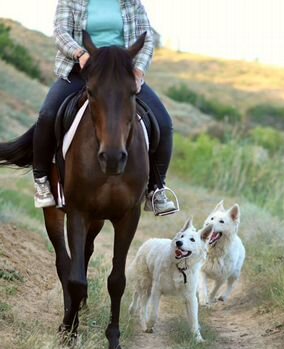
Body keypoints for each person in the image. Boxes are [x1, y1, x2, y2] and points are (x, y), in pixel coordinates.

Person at [33, 0, 177, 216]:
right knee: (47, 115)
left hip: (121, 74)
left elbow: (146, 39)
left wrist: (138, 71)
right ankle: (42, 180)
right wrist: (80, 54)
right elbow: (61, 32)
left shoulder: (131, 3)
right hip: (83, 70)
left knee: (164, 123)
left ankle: (156, 189)